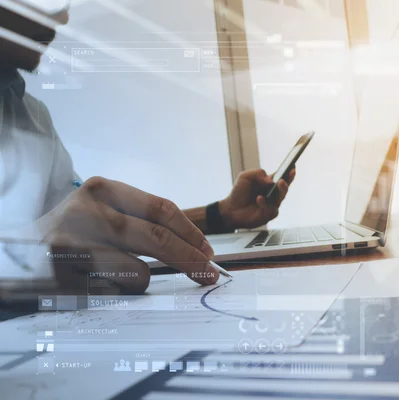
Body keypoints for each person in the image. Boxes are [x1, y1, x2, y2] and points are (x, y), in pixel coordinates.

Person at [0, 2, 294, 294]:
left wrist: (220, 215)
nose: (63, 17)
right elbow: (47, 244)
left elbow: (94, 231)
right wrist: (26, 263)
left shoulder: (31, 116)